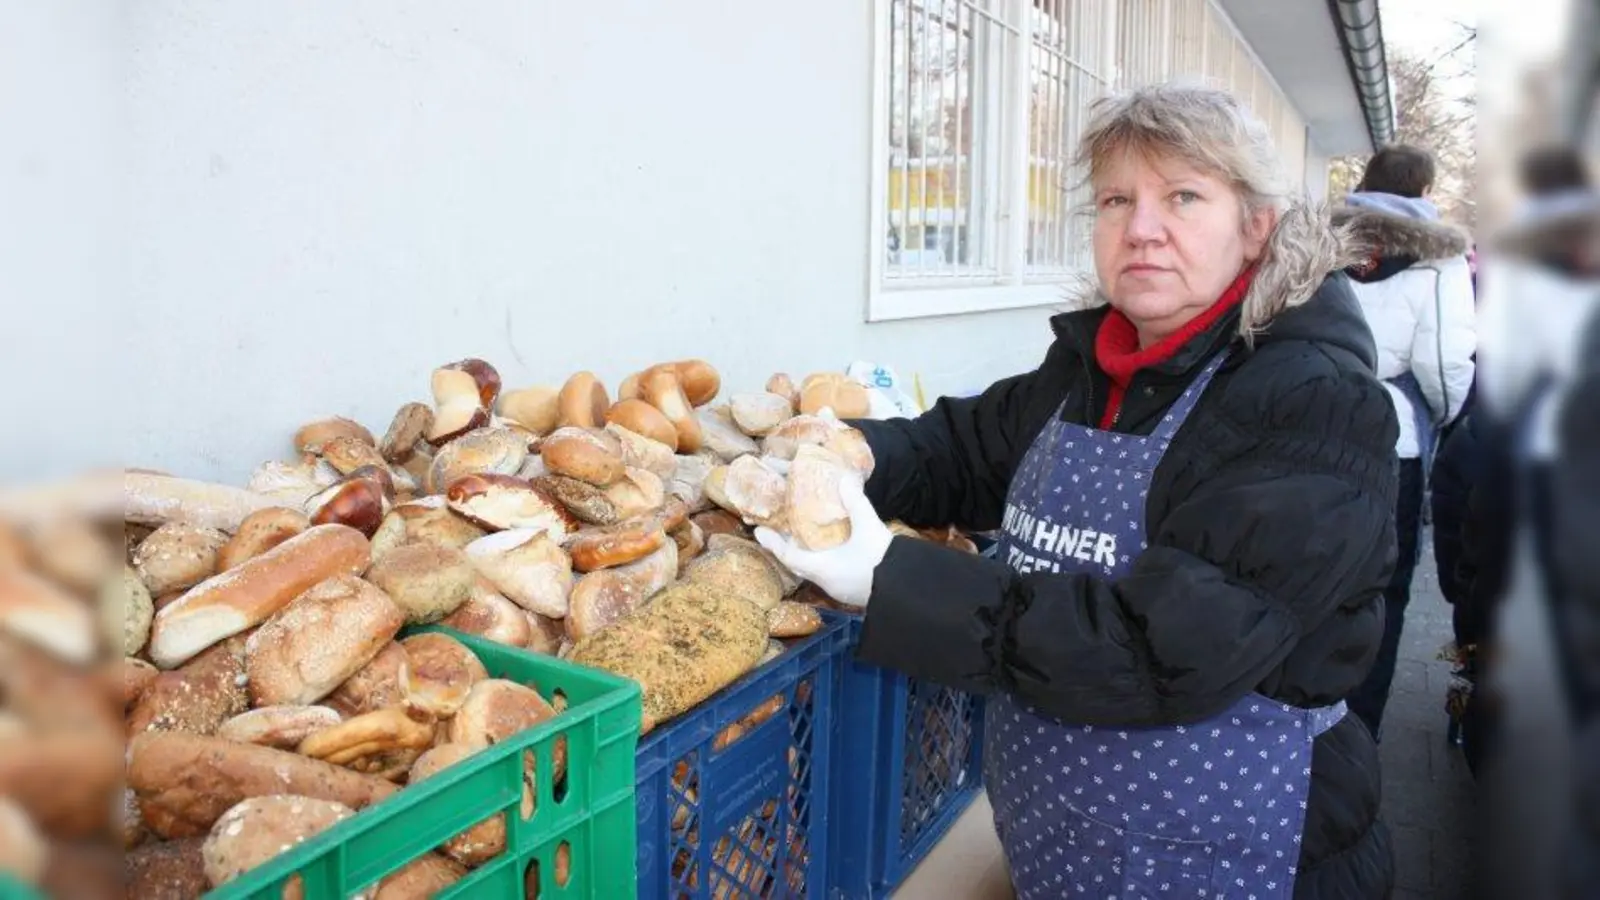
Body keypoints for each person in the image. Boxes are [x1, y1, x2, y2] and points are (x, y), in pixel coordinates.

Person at [756, 84, 1397, 899]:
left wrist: (895, 580)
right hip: (1065, 836)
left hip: (1231, 851)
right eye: (1116, 200)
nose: (1142, 229)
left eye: (1183, 197)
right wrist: (846, 457)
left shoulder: (1315, 404)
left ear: (1256, 225)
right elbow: (963, 450)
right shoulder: (1097, 365)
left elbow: (1162, 647)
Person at [1334, 143, 1477, 740]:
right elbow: (1445, 364)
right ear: (1424, 192)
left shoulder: (1324, 237)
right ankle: (1355, 735)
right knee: (1382, 593)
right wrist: (1439, 418)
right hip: (1394, 445)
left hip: (1311, 418)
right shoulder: (1439, 258)